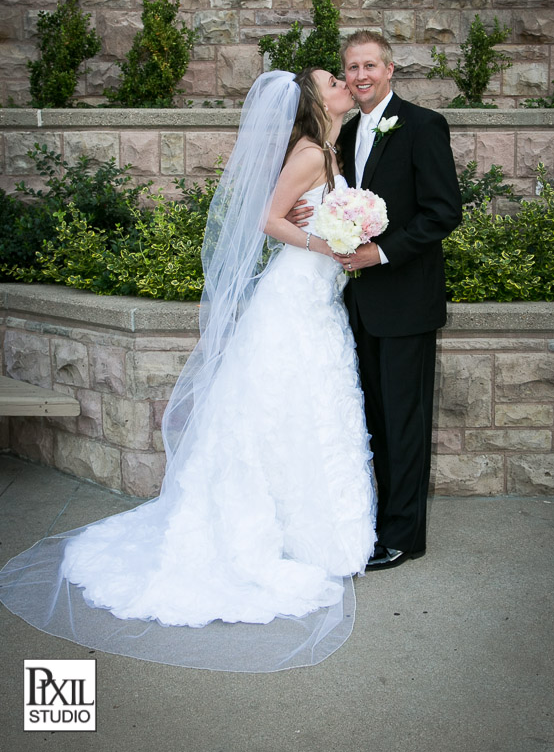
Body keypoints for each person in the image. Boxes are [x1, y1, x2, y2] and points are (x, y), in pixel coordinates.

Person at [0, 69, 376, 673]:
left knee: (314, 407)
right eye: (334, 79)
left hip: (318, 300)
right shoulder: (309, 154)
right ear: (316, 100)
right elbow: (270, 221)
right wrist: (326, 245)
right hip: (295, 297)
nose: (343, 84)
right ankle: (282, 535)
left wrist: (347, 235)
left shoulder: (331, 149)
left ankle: (320, 533)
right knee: (281, 409)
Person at [291, 31, 462, 570]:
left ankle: (404, 537)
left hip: (405, 300)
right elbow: (336, 200)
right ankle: (376, 520)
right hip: (356, 305)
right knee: (375, 420)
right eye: (351, 67)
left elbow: (442, 213)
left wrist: (381, 255)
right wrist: (307, 215)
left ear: (390, 69)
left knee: (405, 421)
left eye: (369, 65)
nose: (360, 75)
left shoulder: (422, 125)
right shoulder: (342, 133)